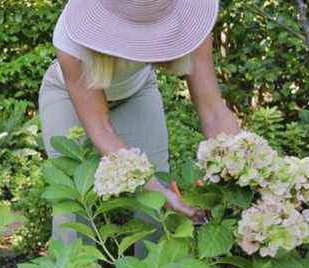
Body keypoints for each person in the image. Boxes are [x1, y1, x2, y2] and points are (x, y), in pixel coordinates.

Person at [39, 0, 241, 244]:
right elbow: (101, 130)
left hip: (136, 92)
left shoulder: (192, 27)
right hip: (67, 97)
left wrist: (243, 166)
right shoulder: (70, 39)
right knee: (72, 202)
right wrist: (157, 191)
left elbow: (214, 112)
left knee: (156, 203)